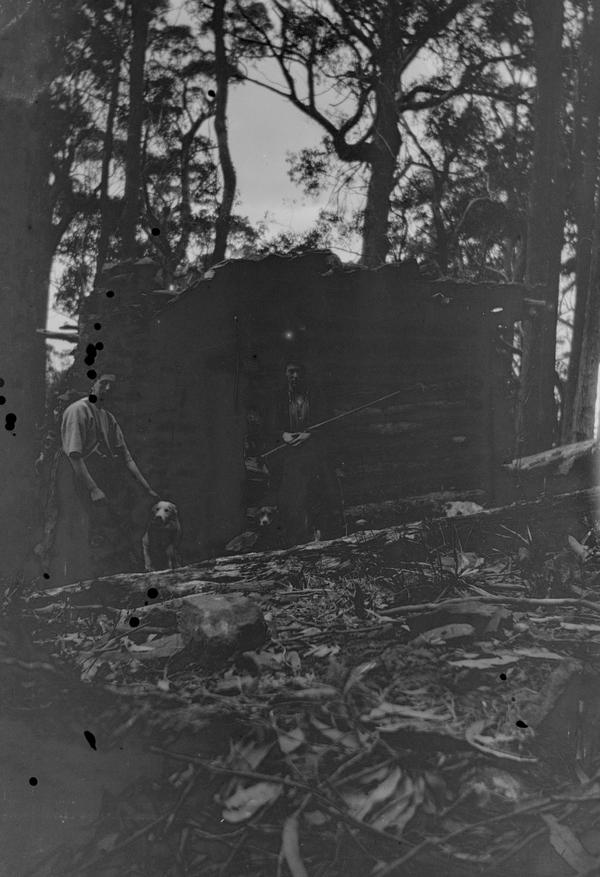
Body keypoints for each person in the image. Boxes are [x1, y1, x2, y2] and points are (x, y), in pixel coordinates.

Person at [49, 374, 157, 584]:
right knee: (78, 529)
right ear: (93, 384)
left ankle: (110, 579)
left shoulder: (108, 418)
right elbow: (74, 455)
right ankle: (75, 584)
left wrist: (147, 489)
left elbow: (127, 458)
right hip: (73, 477)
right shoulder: (78, 411)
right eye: (103, 383)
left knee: (109, 526)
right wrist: (93, 489)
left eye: (112, 385)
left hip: (97, 476)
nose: (107, 388)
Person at [269, 361, 343, 545]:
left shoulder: (316, 395)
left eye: (298, 372)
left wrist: (309, 434)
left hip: (314, 448)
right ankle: (296, 536)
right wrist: (283, 435)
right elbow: (271, 425)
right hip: (289, 451)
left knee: (321, 485)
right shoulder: (279, 397)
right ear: (285, 373)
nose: (295, 376)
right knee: (291, 491)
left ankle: (322, 532)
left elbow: (326, 422)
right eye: (291, 372)